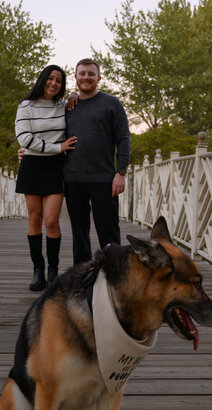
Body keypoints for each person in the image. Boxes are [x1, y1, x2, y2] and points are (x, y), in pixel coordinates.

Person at [15, 65, 77, 291]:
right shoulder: (26, 106)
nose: (54, 83)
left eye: (59, 81)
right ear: (43, 80)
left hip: (55, 167)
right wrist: (58, 147)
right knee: (34, 218)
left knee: (51, 220)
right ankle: (37, 271)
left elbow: (79, 107)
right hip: (32, 165)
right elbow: (24, 139)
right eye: (50, 79)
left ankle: (53, 271)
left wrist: (74, 94)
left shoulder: (64, 106)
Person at [63, 58, 130, 264]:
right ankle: (82, 278)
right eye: (82, 73)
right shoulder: (67, 106)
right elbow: (49, 133)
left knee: (108, 232)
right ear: (75, 78)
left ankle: (114, 277)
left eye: (91, 74)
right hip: (73, 178)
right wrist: (26, 150)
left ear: (99, 78)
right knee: (79, 233)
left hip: (104, 179)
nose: (86, 77)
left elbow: (123, 138)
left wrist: (121, 172)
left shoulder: (112, 103)